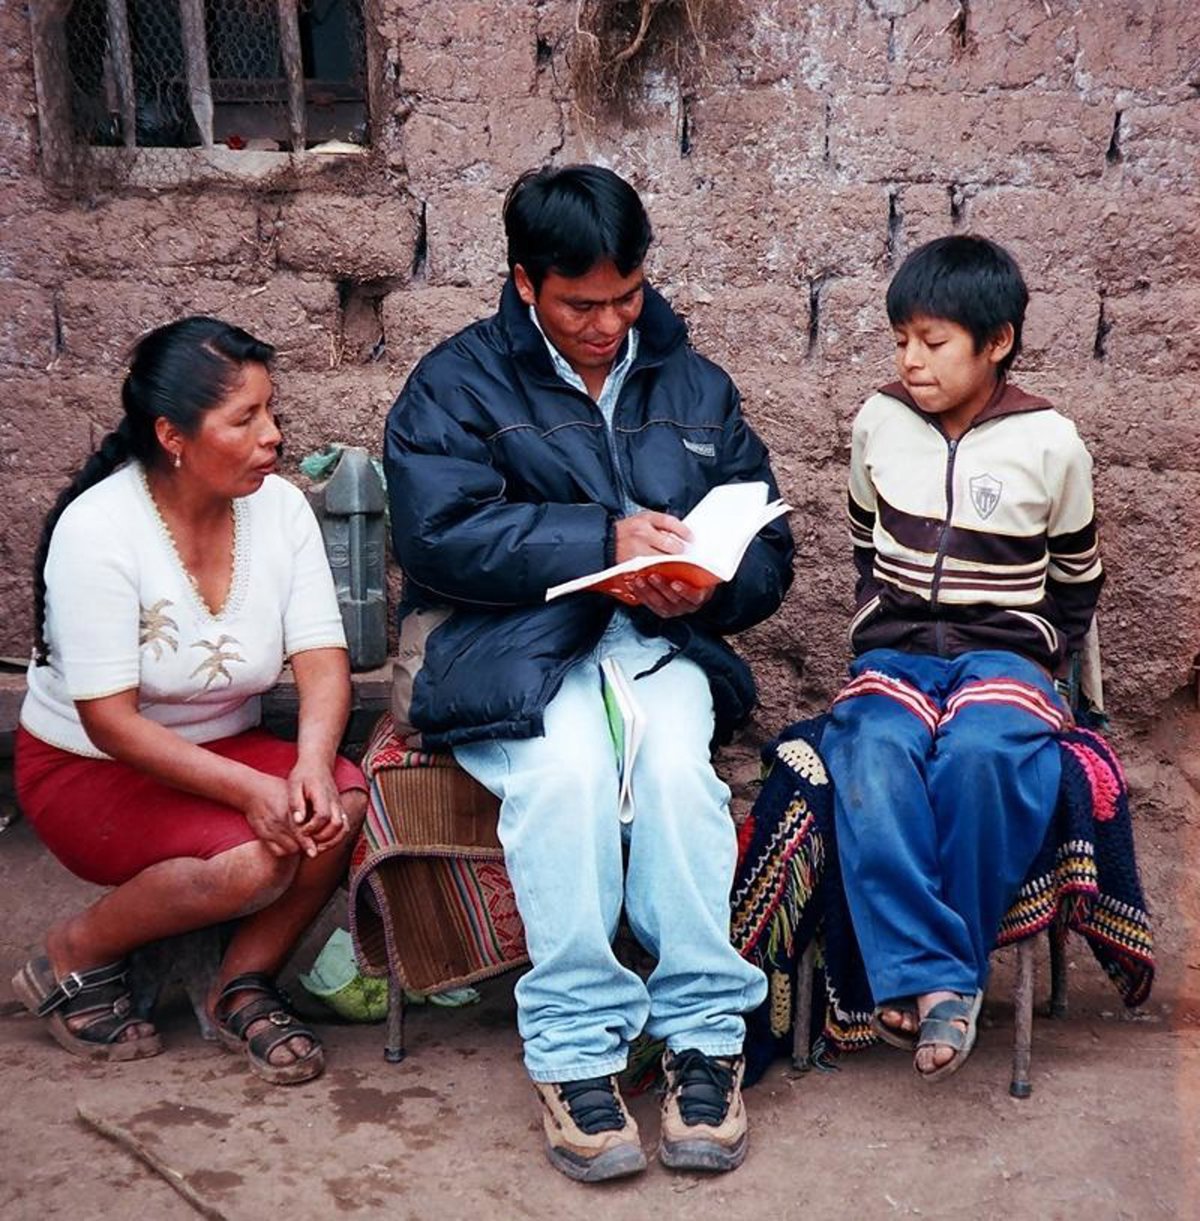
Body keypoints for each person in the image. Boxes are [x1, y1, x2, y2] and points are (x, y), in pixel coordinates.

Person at [383, 165, 793, 1181]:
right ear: (526, 283)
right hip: (506, 649)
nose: (609, 323)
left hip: (657, 644)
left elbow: (768, 550)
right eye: (580, 304)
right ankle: (574, 1054)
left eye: (627, 296)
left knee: (676, 780)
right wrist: (598, 542)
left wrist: (706, 589)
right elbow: (434, 537)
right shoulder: (456, 382)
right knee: (565, 778)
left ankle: (705, 1038)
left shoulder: (693, 385)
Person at [13, 316, 368, 1086]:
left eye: (271, 410)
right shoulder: (99, 529)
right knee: (255, 860)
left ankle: (241, 984)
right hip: (91, 767)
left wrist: (309, 763)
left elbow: (321, 657)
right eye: (244, 419)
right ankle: (72, 952)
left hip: (225, 747)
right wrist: (250, 790)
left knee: (338, 802)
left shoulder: (280, 510)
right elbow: (109, 721)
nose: (272, 435)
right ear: (172, 435)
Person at [821, 235, 1104, 1082]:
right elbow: (865, 540)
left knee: (982, 754)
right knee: (871, 748)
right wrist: (880, 618)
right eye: (901, 339)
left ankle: (933, 977)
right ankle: (942, 977)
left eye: (934, 341)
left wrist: (1043, 657)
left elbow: (1076, 577)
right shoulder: (878, 422)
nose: (911, 360)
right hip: (900, 649)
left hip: (1006, 656)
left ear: (997, 342)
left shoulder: (1051, 442)